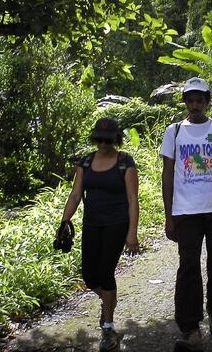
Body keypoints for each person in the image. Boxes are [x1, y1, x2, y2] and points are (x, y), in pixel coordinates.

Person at [161, 77, 212, 351]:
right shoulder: (173, 131)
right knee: (188, 267)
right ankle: (190, 327)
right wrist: (168, 215)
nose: (195, 105)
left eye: (200, 100)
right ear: (185, 101)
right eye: (190, 100)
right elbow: (168, 173)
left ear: (208, 101)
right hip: (186, 210)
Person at [60, 117, 139, 352]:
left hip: (117, 223)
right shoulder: (85, 162)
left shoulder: (125, 161)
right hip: (92, 224)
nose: (104, 144)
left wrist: (132, 234)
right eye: (100, 139)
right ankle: (109, 302)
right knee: (89, 276)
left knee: (105, 273)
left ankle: (108, 326)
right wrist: (65, 221)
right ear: (95, 139)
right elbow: (75, 195)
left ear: (116, 139)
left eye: (108, 139)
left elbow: (133, 199)